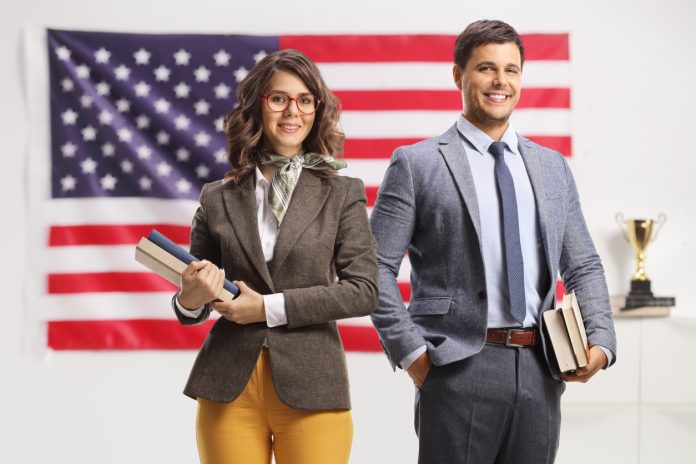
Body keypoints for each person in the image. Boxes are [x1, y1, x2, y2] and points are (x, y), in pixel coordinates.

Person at [369, 19, 617, 464]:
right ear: (458, 76)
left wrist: (600, 342)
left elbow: (582, 265)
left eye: (512, 70)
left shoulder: (552, 167)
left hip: (541, 367)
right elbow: (373, 269)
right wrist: (414, 357)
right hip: (457, 365)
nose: (500, 81)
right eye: (486, 68)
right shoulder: (417, 164)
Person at [171, 49, 378, 464]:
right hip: (228, 383)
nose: (292, 111)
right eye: (278, 98)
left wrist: (267, 307)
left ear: (317, 110)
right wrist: (190, 298)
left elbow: (364, 290)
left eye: (305, 100)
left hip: (313, 383)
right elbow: (192, 296)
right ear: (257, 106)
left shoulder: (342, 192)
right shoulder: (218, 196)